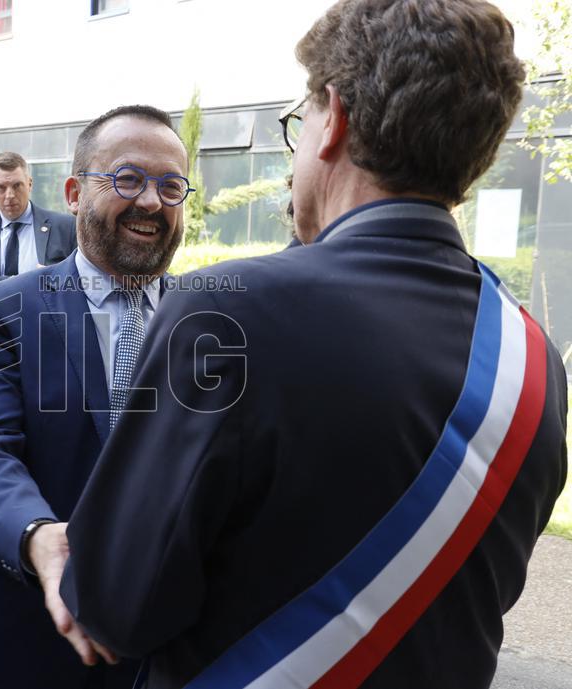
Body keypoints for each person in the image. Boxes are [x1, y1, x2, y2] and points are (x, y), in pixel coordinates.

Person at [61, 2, 569, 689]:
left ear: (333, 120)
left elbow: (116, 605)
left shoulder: (224, 309)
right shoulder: (534, 359)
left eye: (297, 124)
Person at [0, 105, 190, 689]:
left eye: (171, 186)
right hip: (35, 635)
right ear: (75, 192)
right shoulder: (7, 307)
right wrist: (36, 535)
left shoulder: (210, 316)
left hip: (177, 643)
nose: (152, 202)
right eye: (127, 179)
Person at [0, 151, 76, 301]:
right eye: (1, 188)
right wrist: (17, 283)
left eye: (17, 186)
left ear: (29, 184)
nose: (10, 195)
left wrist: (56, 281)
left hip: (46, 322)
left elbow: (89, 281)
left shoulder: (66, 227)